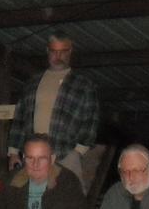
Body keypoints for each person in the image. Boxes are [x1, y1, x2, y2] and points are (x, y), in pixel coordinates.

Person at [7, 32, 99, 187]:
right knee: (28, 197)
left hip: (66, 155)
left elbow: (91, 120)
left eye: (63, 51)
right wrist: (14, 152)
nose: (58, 56)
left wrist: (77, 152)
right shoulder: (32, 83)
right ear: (47, 51)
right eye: (54, 51)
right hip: (33, 156)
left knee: (68, 198)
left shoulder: (83, 85)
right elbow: (20, 118)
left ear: (70, 51)